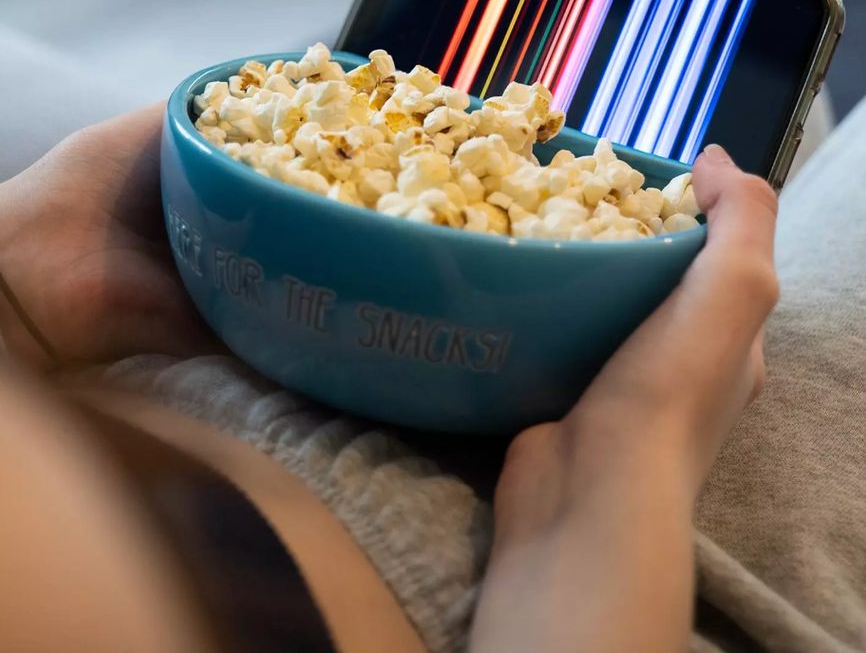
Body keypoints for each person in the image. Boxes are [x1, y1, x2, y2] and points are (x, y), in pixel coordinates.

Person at [0, 100, 863, 652]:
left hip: (125, 365)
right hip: (534, 564)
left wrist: (22, 279)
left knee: (766, 118)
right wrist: (625, 466)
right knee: (786, 122)